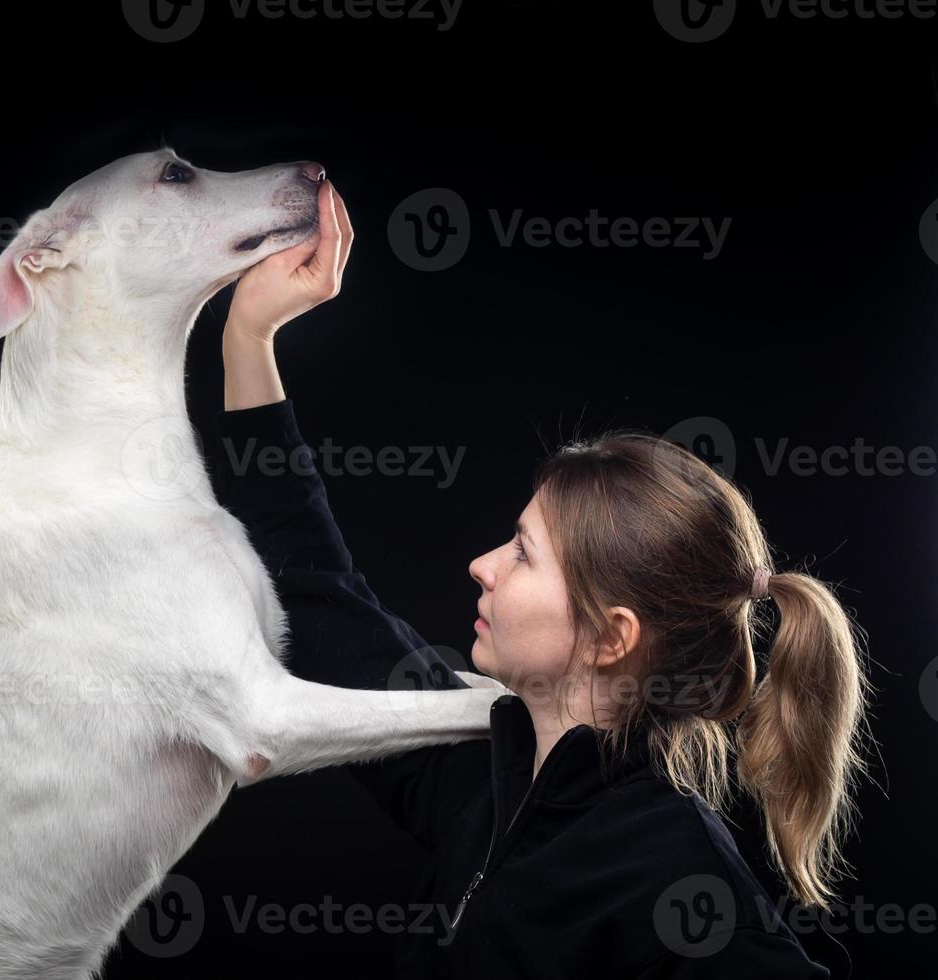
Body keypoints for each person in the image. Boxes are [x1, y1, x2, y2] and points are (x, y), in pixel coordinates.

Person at [210, 179, 869, 977]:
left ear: (610, 636)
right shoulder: (475, 763)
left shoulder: (672, 875)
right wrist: (250, 335)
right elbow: (315, 593)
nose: (481, 566)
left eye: (522, 553)